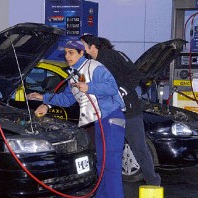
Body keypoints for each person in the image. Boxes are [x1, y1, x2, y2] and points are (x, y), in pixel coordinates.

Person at [27, 40, 126, 198]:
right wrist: (44, 99)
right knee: (101, 164)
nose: (67, 56)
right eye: (65, 53)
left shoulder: (94, 67)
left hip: (112, 119)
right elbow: (67, 99)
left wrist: (89, 87)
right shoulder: (73, 74)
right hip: (99, 121)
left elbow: (112, 87)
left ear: (82, 53)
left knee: (111, 164)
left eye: (71, 52)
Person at [80, 35, 161, 186]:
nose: (80, 46)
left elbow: (135, 74)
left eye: (82, 44)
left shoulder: (113, 56)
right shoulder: (90, 64)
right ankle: (105, 185)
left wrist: (122, 91)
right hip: (108, 114)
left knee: (139, 148)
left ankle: (153, 182)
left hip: (129, 112)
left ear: (92, 46)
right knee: (106, 151)